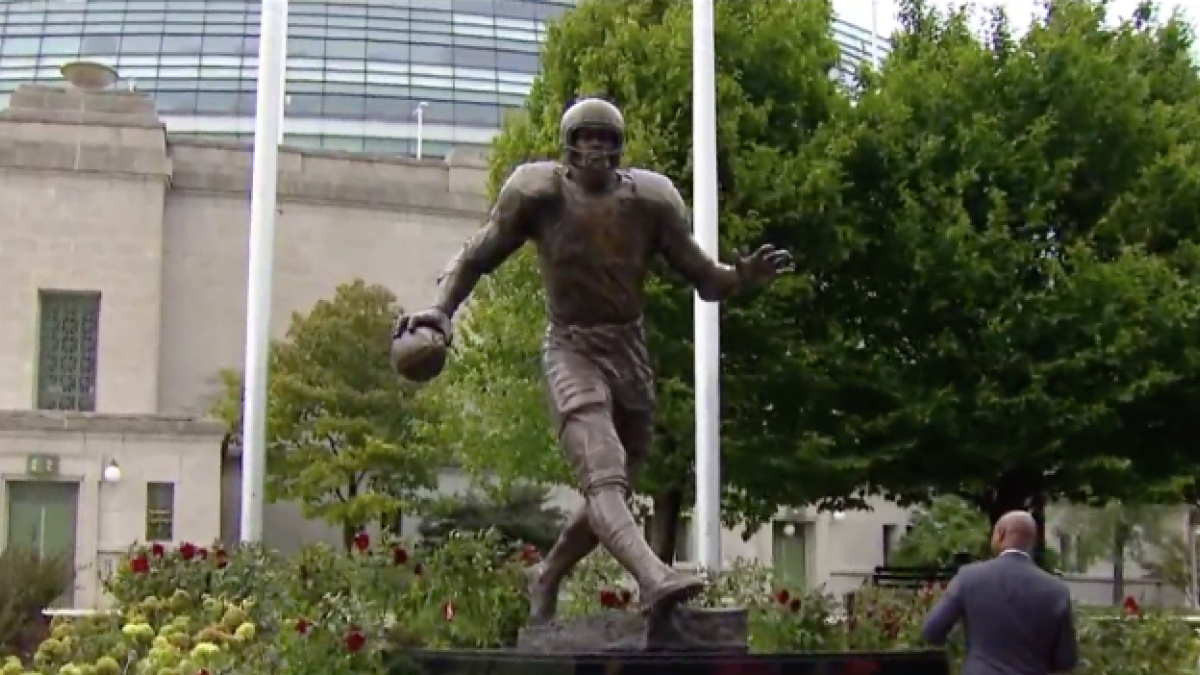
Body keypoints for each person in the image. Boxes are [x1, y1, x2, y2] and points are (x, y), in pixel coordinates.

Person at [394, 97, 793, 622]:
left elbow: (704, 278)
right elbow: (476, 254)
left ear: (621, 148)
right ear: (569, 144)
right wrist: (441, 311)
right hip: (571, 347)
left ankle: (548, 573)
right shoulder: (536, 193)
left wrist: (742, 277)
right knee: (603, 476)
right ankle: (653, 576)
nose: (597, 149)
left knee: (618, 483)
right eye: (587, 137)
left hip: (629, 349)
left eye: (607, 139)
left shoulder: (652, 200)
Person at [922, 510, 1079, 675]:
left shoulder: (969, 577)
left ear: (1001, 534)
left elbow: (932, 631)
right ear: (1032, 541)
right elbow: (1066, 660)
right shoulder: (1057, 590)